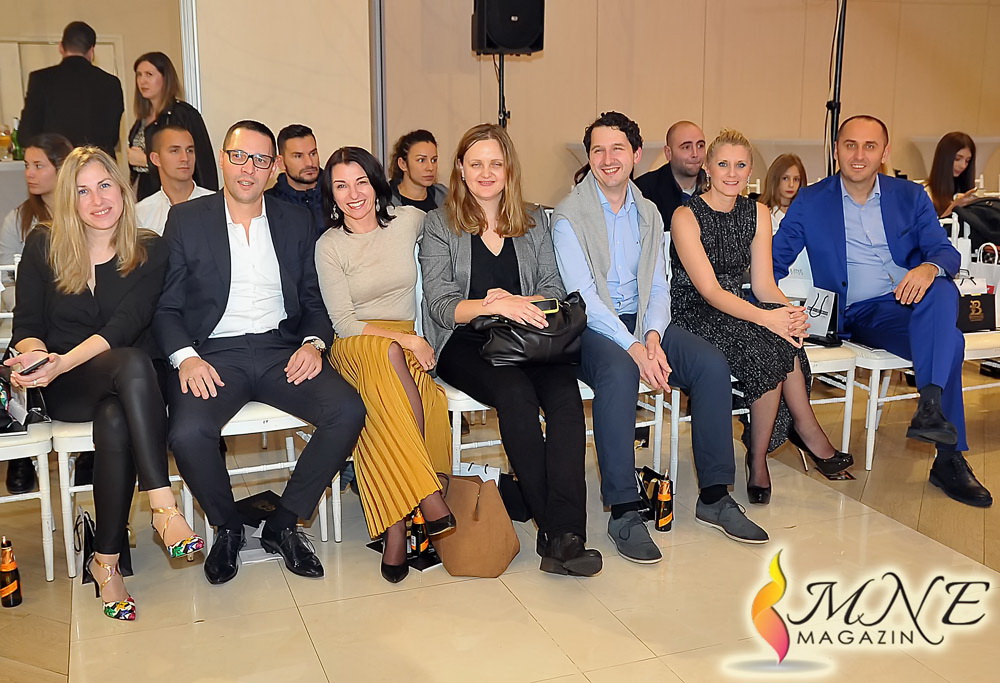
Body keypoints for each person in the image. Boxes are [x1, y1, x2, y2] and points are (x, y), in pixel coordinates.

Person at [153, 120, 366, 585]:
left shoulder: (296, 221)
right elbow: (166, 307)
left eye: (260, 159)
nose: (248, 168)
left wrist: (313, 343)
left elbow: (314, 300)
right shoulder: (187, 219)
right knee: (187, 433)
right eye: (239, 156)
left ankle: (284, 523)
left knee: (347, 410)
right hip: (213, 353)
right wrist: (186, 357)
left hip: (279, 349)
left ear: (273, 168)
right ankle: (227, 526)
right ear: (223, 160)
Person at [552, 112, 768, 562]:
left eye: (617, 149)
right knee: (619, 373)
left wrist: (652, 335)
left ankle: (714, 495)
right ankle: (624, 511)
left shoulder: (648, 211)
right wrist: (633, 347)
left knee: (710, 365)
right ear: (589, 157)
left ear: (636, 154)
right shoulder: (570, 214)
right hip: (592, 326)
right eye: (597, 150)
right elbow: (584, 297)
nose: (607, 159)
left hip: (644, 322)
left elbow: (657, 285)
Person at [5, 146, 204, 620]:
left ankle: (106, 562)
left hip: (131, 387)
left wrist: (62, 361)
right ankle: (164, 507)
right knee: (129, 366)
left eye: (105, 186)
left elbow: (124, 325)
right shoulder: (44, 245)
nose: (97, 200)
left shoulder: (150, 248)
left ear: (122, 189)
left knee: (117, 408)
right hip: (67, 386)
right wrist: (37, 355)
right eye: (82, 191)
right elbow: (26, 323)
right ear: (69, 199)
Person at [773, 115, 992, 508]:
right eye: (850, 145)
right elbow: (774, 260)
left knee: (941, 288)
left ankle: (931, 408)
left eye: (870, 146)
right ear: (836, 150)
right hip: (861, 312)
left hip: (913, 304)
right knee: (952, 341)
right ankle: (948, 455)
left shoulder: (909, 196)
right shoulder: (811, 200)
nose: (859, 155)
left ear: (884, 152)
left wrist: (927, 268)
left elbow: (944, 252)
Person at [420, 123, 602, 577]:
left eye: (495, 164)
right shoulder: (440, 224)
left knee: (565, 400)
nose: (486, 173)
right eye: (476, 164)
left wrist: (520, 304)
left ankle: (565, 533)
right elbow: (441, 305)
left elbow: (552, 287)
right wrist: (493, 304)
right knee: (516, 396)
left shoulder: (534, 220)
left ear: (508, 170)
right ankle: (557, 531)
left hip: (530, 336)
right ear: (461, 168)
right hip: (466, 342)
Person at [670, 129, 853, 505]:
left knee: (782, 331)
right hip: (695, 311)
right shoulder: (685, 216)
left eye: (740, 165)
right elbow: (711, 292)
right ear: (707, 168)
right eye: (723, 164)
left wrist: (790, 313)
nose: (731, 173)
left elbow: (764, 284)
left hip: (738, 305)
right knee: (770, 342)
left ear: (751, 170)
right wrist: (768, 319)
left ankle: (768, 448)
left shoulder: (758, 213)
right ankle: (781, 444)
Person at [315, 146, 452, 583]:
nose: (353, 194)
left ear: (376, 184)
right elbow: (344, 322)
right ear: (331, 194)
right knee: (388, 359)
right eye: (341, 186)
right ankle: (426, 494)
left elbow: (456, 228)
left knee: (414, 401)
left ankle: (396, 526)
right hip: (356, 345)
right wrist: (407, 340)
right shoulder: (329, 246)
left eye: (361, 182)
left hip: (404, 343)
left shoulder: (409, 221)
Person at [1, 134, 73, 496]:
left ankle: (88, 453)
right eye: (27, 165)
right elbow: (7, 282)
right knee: (24, 345)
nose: (29, 173)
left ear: (62, 168)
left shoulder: (86, 215)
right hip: (32, 316)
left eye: (38, 165)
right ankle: (21, 444)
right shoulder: (19, 219)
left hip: (72, 322)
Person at [19, 22, 124, 157]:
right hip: (98, 162)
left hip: (58, 163)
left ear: (61, 47)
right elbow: (112, 137)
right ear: (91, 51)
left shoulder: (41, 79)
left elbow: (26, 134)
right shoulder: (111, 83)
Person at [127, 52, 217, 201]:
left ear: (165, 78)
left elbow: (203, 164)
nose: (142, 81)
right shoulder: (141, 120)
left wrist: (145, 160)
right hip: (148, 196)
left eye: (149, 74)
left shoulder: (183, 114)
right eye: (139, 75)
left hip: (179, 196)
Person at [135, 125, 215, 235]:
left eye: (189, 150)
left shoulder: (218, 205)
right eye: (175, 151)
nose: (185, 158)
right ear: (156, 159)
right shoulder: (141, 213)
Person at [634, 120, 708, 229]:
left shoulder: (715, 187)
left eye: (700, 146)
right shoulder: (643, 190)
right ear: (668, 153)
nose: (695, 154)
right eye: (686, 147)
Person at [759, 154, 812, 298]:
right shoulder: (761, 214)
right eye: (785, 178)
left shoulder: (808, 216)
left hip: (806, 290)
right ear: (775, 179)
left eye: (796, 179)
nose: (791, 185)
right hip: (773, 290)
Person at [265, 124, 324, 230]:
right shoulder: (268, 204)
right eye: (298, 156)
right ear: (281, 162)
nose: (309, 163)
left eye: (313, 154)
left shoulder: (337, 193)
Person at [389, 129, 447, 211]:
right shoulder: (385, 201)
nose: (430, 168)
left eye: (434, 160)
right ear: (403, 164)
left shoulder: (445, 198)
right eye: (421, 160)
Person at [926, 132, 978, 218]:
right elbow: (933, 226)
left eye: (967, 161)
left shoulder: (965, 190)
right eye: (957, 159)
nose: (963, 166)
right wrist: (955, 207)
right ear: (944, 158)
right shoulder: (926, 194)